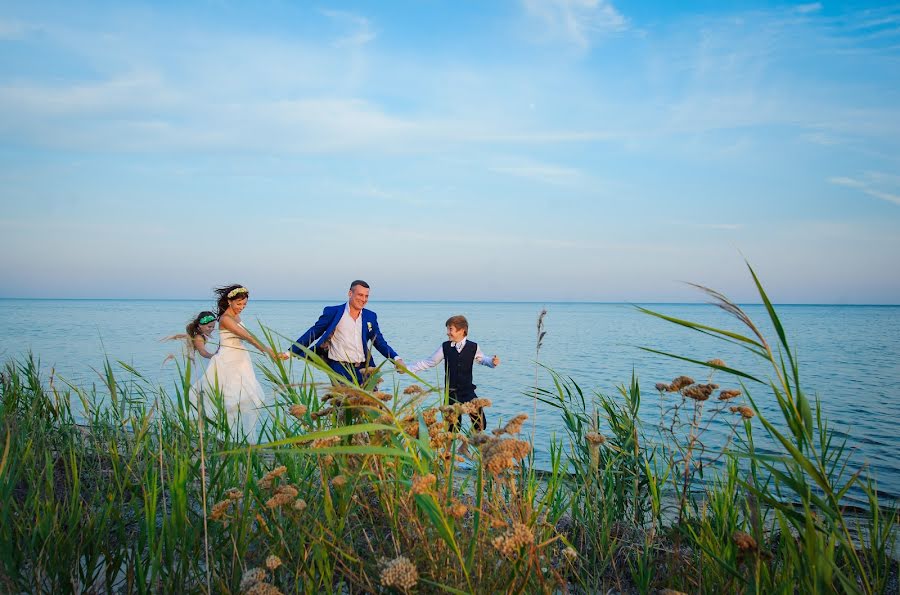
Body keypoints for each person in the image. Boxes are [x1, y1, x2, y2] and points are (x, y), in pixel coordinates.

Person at [192, 284, 288, 441]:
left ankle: (238, 436)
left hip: (241, 359)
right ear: (229, 301)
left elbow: (240, 336)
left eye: (244, 304)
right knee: (230, 398)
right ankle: (224, 436)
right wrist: (270, 353)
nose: (242, 307)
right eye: (239, 304)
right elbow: (248, 337)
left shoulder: (236, 317)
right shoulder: (225, 319)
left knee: (246, 397)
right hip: (229, 362)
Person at [290, 280, 403, 383]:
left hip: (365, 369)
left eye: (366, 296)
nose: (364, 299)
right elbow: (313, 333)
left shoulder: (370, 316)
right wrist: (289, 352)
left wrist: (396, 359)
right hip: (340, 370)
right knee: (343, 404)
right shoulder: (333, 312)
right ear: (350, 293)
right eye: (360, 295)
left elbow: (379, 342)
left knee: (370, 404)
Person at [404, 315, 500, 433]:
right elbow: (429, 362)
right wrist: (407, 368)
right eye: (448, 329)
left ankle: (465, 445)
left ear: (462, 331)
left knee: (480, 424)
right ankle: (448, 451)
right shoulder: (445, 347)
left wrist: (492, 361)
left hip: (468, 392)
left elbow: (482, 359)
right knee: (452, 429)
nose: (447, 333)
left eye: (450, 329)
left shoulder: (473, 347)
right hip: (451, 394)